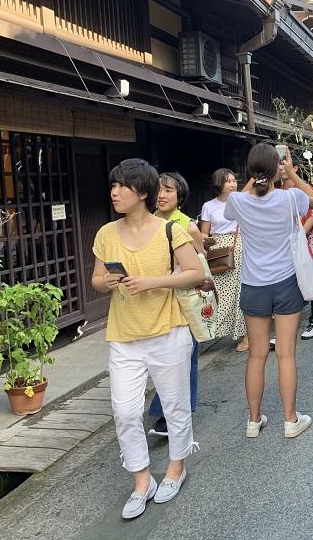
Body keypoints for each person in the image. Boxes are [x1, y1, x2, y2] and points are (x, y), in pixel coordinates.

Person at [91, 159, 204, 519]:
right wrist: (105, 282)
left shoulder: (171, 231)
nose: (114, 192)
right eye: (112, 185)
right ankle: (142, 480)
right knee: (124, 410)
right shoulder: (106, 233)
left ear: (142, 191)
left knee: (174, 405)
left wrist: (154, 281)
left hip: (168, 331)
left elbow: (194, 273)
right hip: (123, 335)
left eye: (122, 186)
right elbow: (95, 280)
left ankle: (176, 468)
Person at [224, 144, 313, 439]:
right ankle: (290, 420)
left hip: (254, 285)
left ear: (249, 171)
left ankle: (254, 421)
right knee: (286, 355)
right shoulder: (290, 198)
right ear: (278, 166)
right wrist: (290, 172)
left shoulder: (238, 201)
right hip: (286, 282)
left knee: (256, 355)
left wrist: (255, 178)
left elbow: (238, 197)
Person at [147, 172, 204, 438]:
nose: (162, 195)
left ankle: (171, 415)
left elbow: (201, 264)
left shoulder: (188, 226)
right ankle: (170, 411)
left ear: (179, 195)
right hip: (156, 300)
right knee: (163, 358)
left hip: (183, 300)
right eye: (158, 190)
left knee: (186, 356)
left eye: (168, 190)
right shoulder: (147, 224)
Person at [200, 169, 248, 352]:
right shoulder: (208, 206)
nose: (233, 184)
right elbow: (205, 231)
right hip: (218, 250)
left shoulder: (242, 201)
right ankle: (212, 331)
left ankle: (247, 335)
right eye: (228, 181)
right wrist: (205, 240)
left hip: (240, 246)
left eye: (234, 180)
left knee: (240, 292)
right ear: (219, 183)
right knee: (218, 294)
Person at [279, 154, 313, 340]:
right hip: (286, 246)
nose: (280, 169)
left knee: (312, 281)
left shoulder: (304, 188)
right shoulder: (277, 190)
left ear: (295, 168)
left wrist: (298, 235)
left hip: (307, 243)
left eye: (284, 165)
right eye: (278, 166)